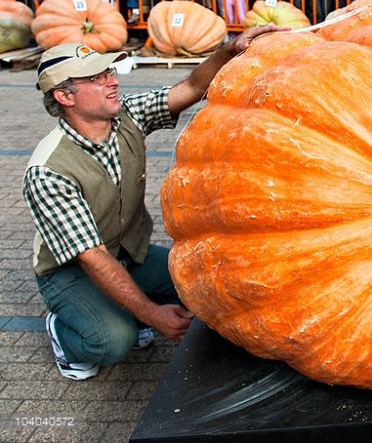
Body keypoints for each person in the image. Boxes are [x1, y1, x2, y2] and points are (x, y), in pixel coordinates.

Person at [25, 27, 281, 380]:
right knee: (115, 341)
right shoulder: (48, 171)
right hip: (71, 271)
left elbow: (189, 88)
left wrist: (229, 50)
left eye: (109, 72)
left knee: (213, 285)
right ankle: (64, 334)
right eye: (96, 78)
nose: (112, 81)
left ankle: (122, 307)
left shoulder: (125, 117)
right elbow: (93, 258)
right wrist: (152, 315)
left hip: (128, 252)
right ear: (65, 96)